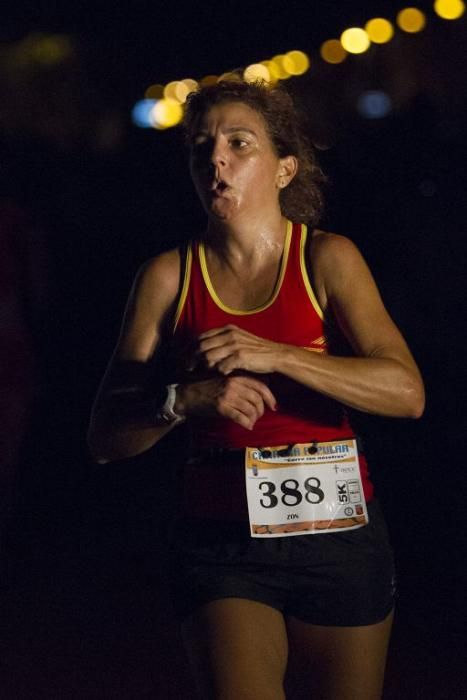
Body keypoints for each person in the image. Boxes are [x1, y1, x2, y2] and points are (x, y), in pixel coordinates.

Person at [87, 80, 425, 700]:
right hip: (222, 542)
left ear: (284, 169)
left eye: (238, 144)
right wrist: (181, 401)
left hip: (338, 533)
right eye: (201, 148)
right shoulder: (168, 276)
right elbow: (106, 437)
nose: (215, 159)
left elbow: (407, 392)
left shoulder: (326, 258)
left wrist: (277, 354)